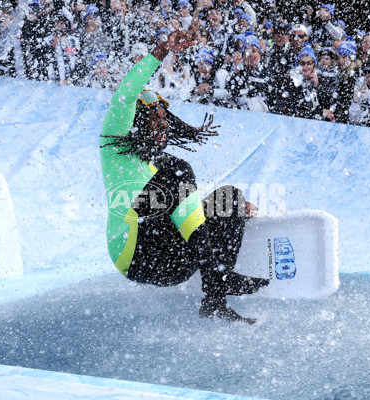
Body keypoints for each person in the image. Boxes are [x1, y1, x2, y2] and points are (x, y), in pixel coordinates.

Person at [99, 26, 269, 324]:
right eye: (156, 119)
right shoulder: (115, 145)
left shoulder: (162, 164)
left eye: (167, 119)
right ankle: (218, 277)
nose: (164, 125)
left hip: (173, 263)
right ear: (135, 121)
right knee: (179, 170)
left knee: (228, 197)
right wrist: (161, 52)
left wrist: (230, 213)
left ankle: (215, 299)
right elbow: (126, 94)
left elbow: (183, 213)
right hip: (136, 256)